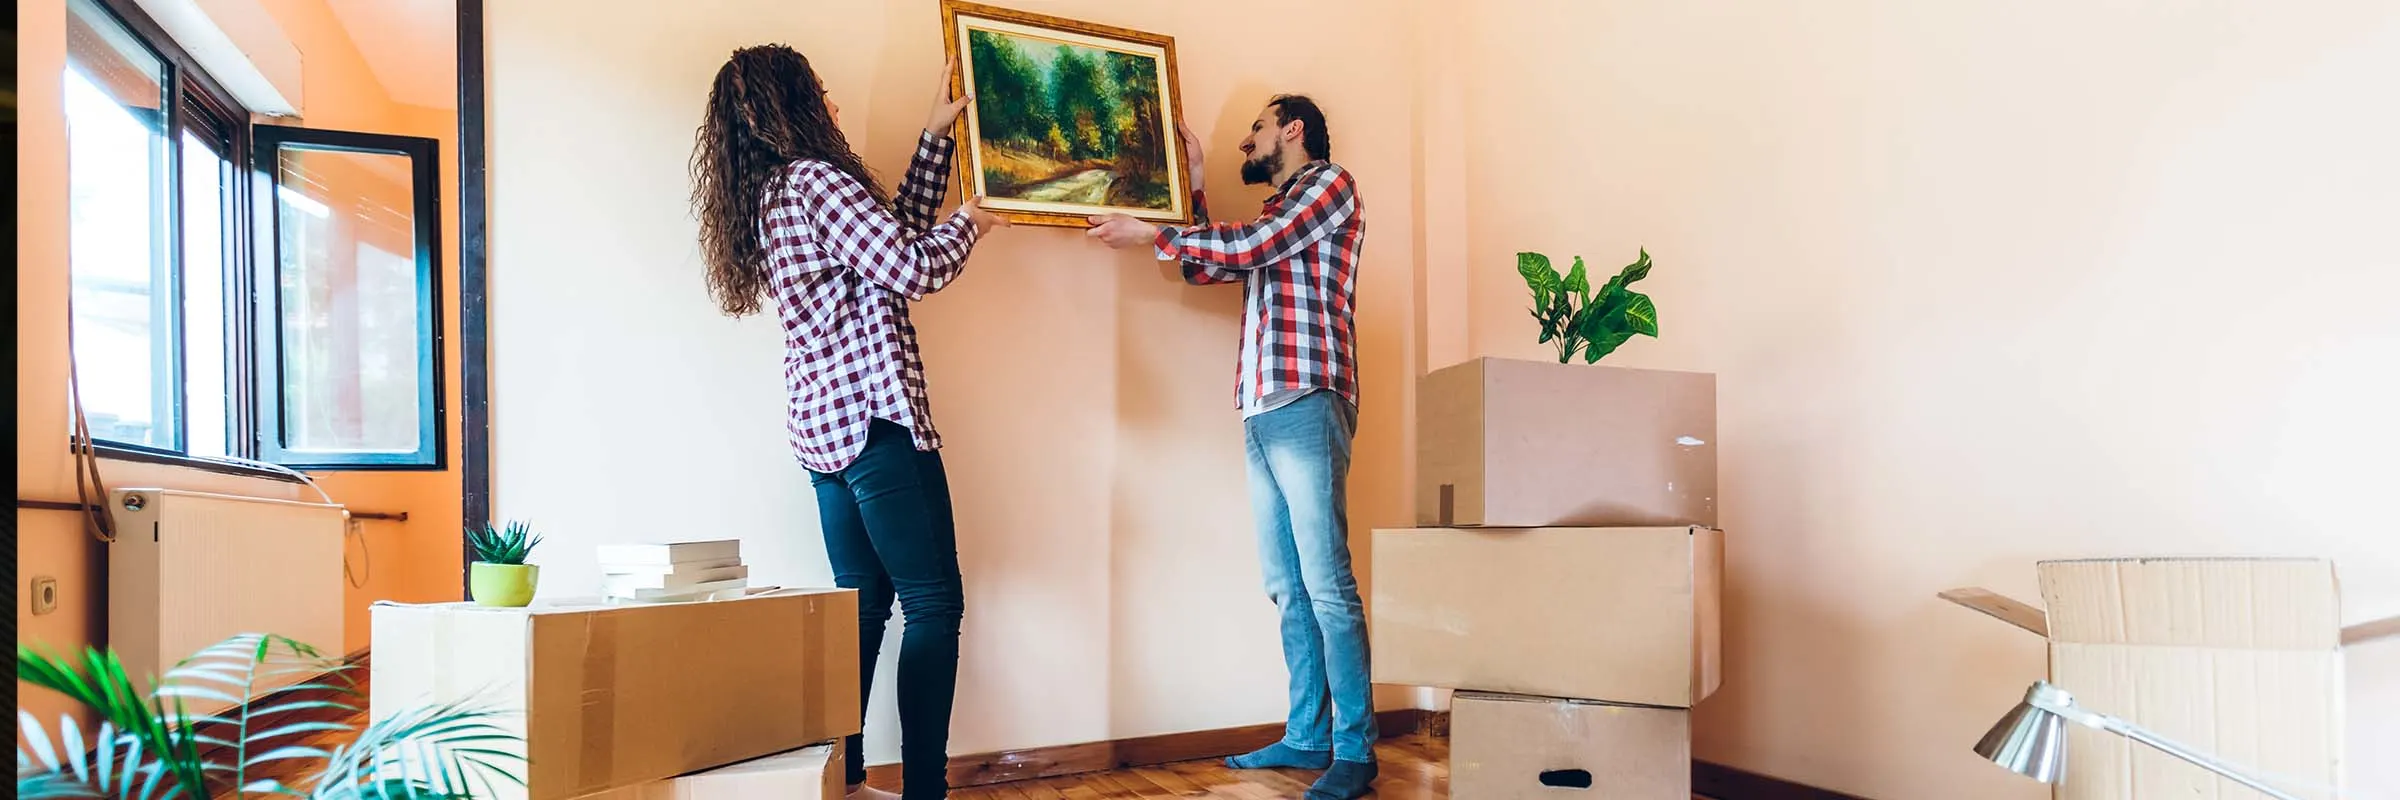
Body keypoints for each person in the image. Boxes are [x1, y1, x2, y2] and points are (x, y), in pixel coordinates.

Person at [690, 44, 1004, 800]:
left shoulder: (770, 195)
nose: (832, 102)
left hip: (825, 438)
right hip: (877, 425)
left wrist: (935, 140)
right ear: (792, 104)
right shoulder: (819, 182)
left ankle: (849, 781)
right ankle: (925, 790)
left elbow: (887, 236)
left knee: (864, 609)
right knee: (933, 603)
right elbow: (912, 267)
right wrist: (973, 222)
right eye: (821, 91)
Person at [1086, 95, 1375, 800]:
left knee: (1327, 583)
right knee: (1286, 585)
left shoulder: (1330, 186)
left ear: (1293, 128)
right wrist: (1187, 182)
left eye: (1256, 128)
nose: (1248, 141)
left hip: (1308, 396)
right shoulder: (1279, 214)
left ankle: (1356, 750)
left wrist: (1153, 231)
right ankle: (1308, 736)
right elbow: (1205, 266)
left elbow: (1245, 249)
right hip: (1261, 406)